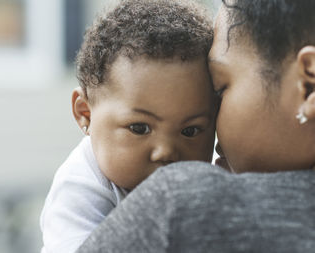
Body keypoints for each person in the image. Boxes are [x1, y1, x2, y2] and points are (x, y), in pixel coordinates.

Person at [78, 0, 315, 252]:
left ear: (308, 85)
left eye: (219, 89)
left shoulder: (183, 208)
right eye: (139, 127)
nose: (213, 119)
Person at [40, 0, 217, 252]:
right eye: (140, 128)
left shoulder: (213, 181)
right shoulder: (81, 186)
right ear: (85, 114)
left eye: (190, 131)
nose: (165, 151)